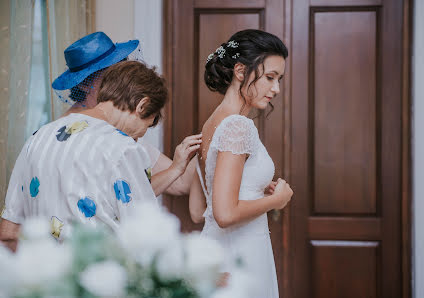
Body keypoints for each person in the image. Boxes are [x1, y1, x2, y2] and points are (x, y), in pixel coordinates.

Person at [0, 60, 183, 252]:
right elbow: (146, 235)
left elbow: (8, 232)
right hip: (100, 275)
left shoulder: (37, 137)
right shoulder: (123, 147)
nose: (138, 137)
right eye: (147, 125)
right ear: (142, 105)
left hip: (44, 277)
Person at [188, 29, 293, 298]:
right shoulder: (237, 125)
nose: (276, 89)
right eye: (270, 77)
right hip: (240, 254)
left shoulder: (212, 122)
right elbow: (224, 214)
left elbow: (200, 211)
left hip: (219, 251)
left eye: (279, 79)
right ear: (239, 71)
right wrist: (276, 200)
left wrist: (256, 190)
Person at [51, 31, 200, 197]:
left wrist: (213, 131)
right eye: (111, 74)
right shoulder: (58, 136)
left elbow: (180, 184)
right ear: (84, 85)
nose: (121, 80)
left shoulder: (125, 126)